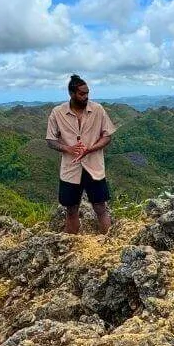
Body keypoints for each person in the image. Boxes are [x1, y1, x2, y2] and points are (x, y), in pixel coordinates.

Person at [45, 74, 117, 234]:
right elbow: (50, 140)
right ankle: (71, 244)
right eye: (82, 94)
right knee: (71, 211)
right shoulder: (57, 113)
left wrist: (89, 149)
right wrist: (68, 149)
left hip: (94, 168)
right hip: (70, 170)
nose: (86, 97)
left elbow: (107, 136)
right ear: (71, 94)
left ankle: (111, 241)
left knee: (101, 208)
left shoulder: (98, 110)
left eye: (87, 93)